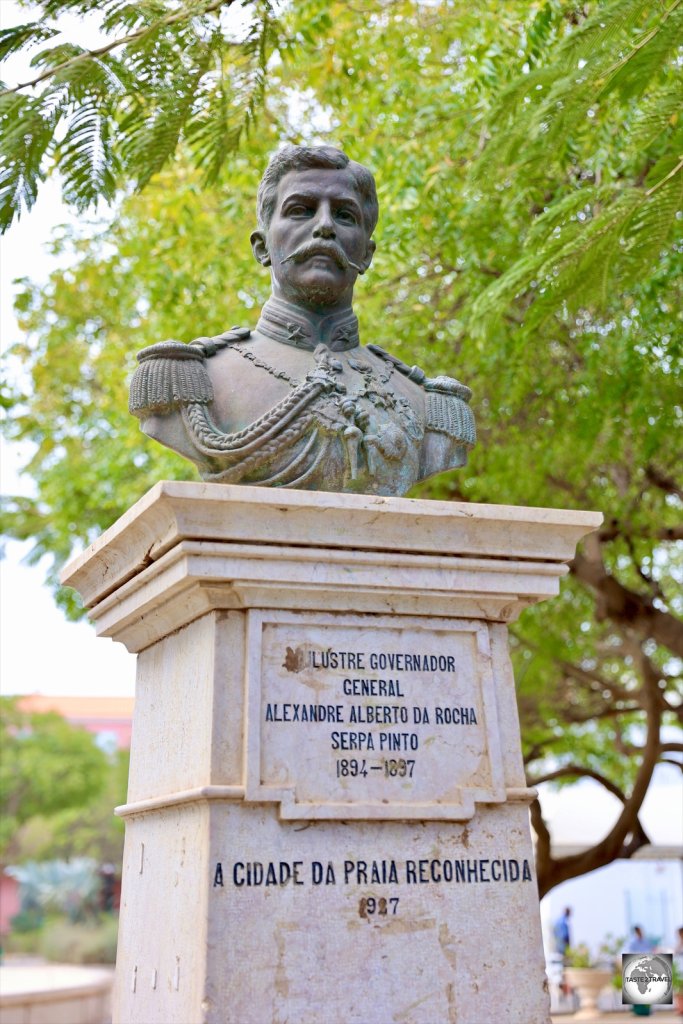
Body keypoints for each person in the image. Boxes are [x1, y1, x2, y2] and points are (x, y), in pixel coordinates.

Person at [130, 145, 475, 495]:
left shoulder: (426, 402)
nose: (325, 226)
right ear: (262, 247)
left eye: (344, 215)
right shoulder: (193, 379)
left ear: (366, 254)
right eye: (301, 210)